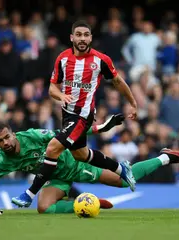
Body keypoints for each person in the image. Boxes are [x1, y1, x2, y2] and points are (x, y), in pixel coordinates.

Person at [12, 20, 139, 208]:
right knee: (80, 154)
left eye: (86, 35)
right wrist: (61, 95)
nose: (82, 38)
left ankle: (29, 193)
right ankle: (122, 168)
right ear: (72, 37)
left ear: (91, 38)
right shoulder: (62, 59)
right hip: (67, 115)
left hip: (83, 116)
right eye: (78, 35)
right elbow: (52, 88)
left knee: (53, 148)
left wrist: (132, 102)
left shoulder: (100, 60)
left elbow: (118, 81)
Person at [0, 120, 179, 215]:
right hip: (53, 178)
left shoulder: (32, 136)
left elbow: (67, 133)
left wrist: (100, 128)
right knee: (43, 208)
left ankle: (165, 158)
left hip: (76, 164)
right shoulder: (3, 161)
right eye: (0, 141)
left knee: (122, 181)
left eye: (7, 137)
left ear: (13, 133)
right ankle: (87, 204)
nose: (5, 143)